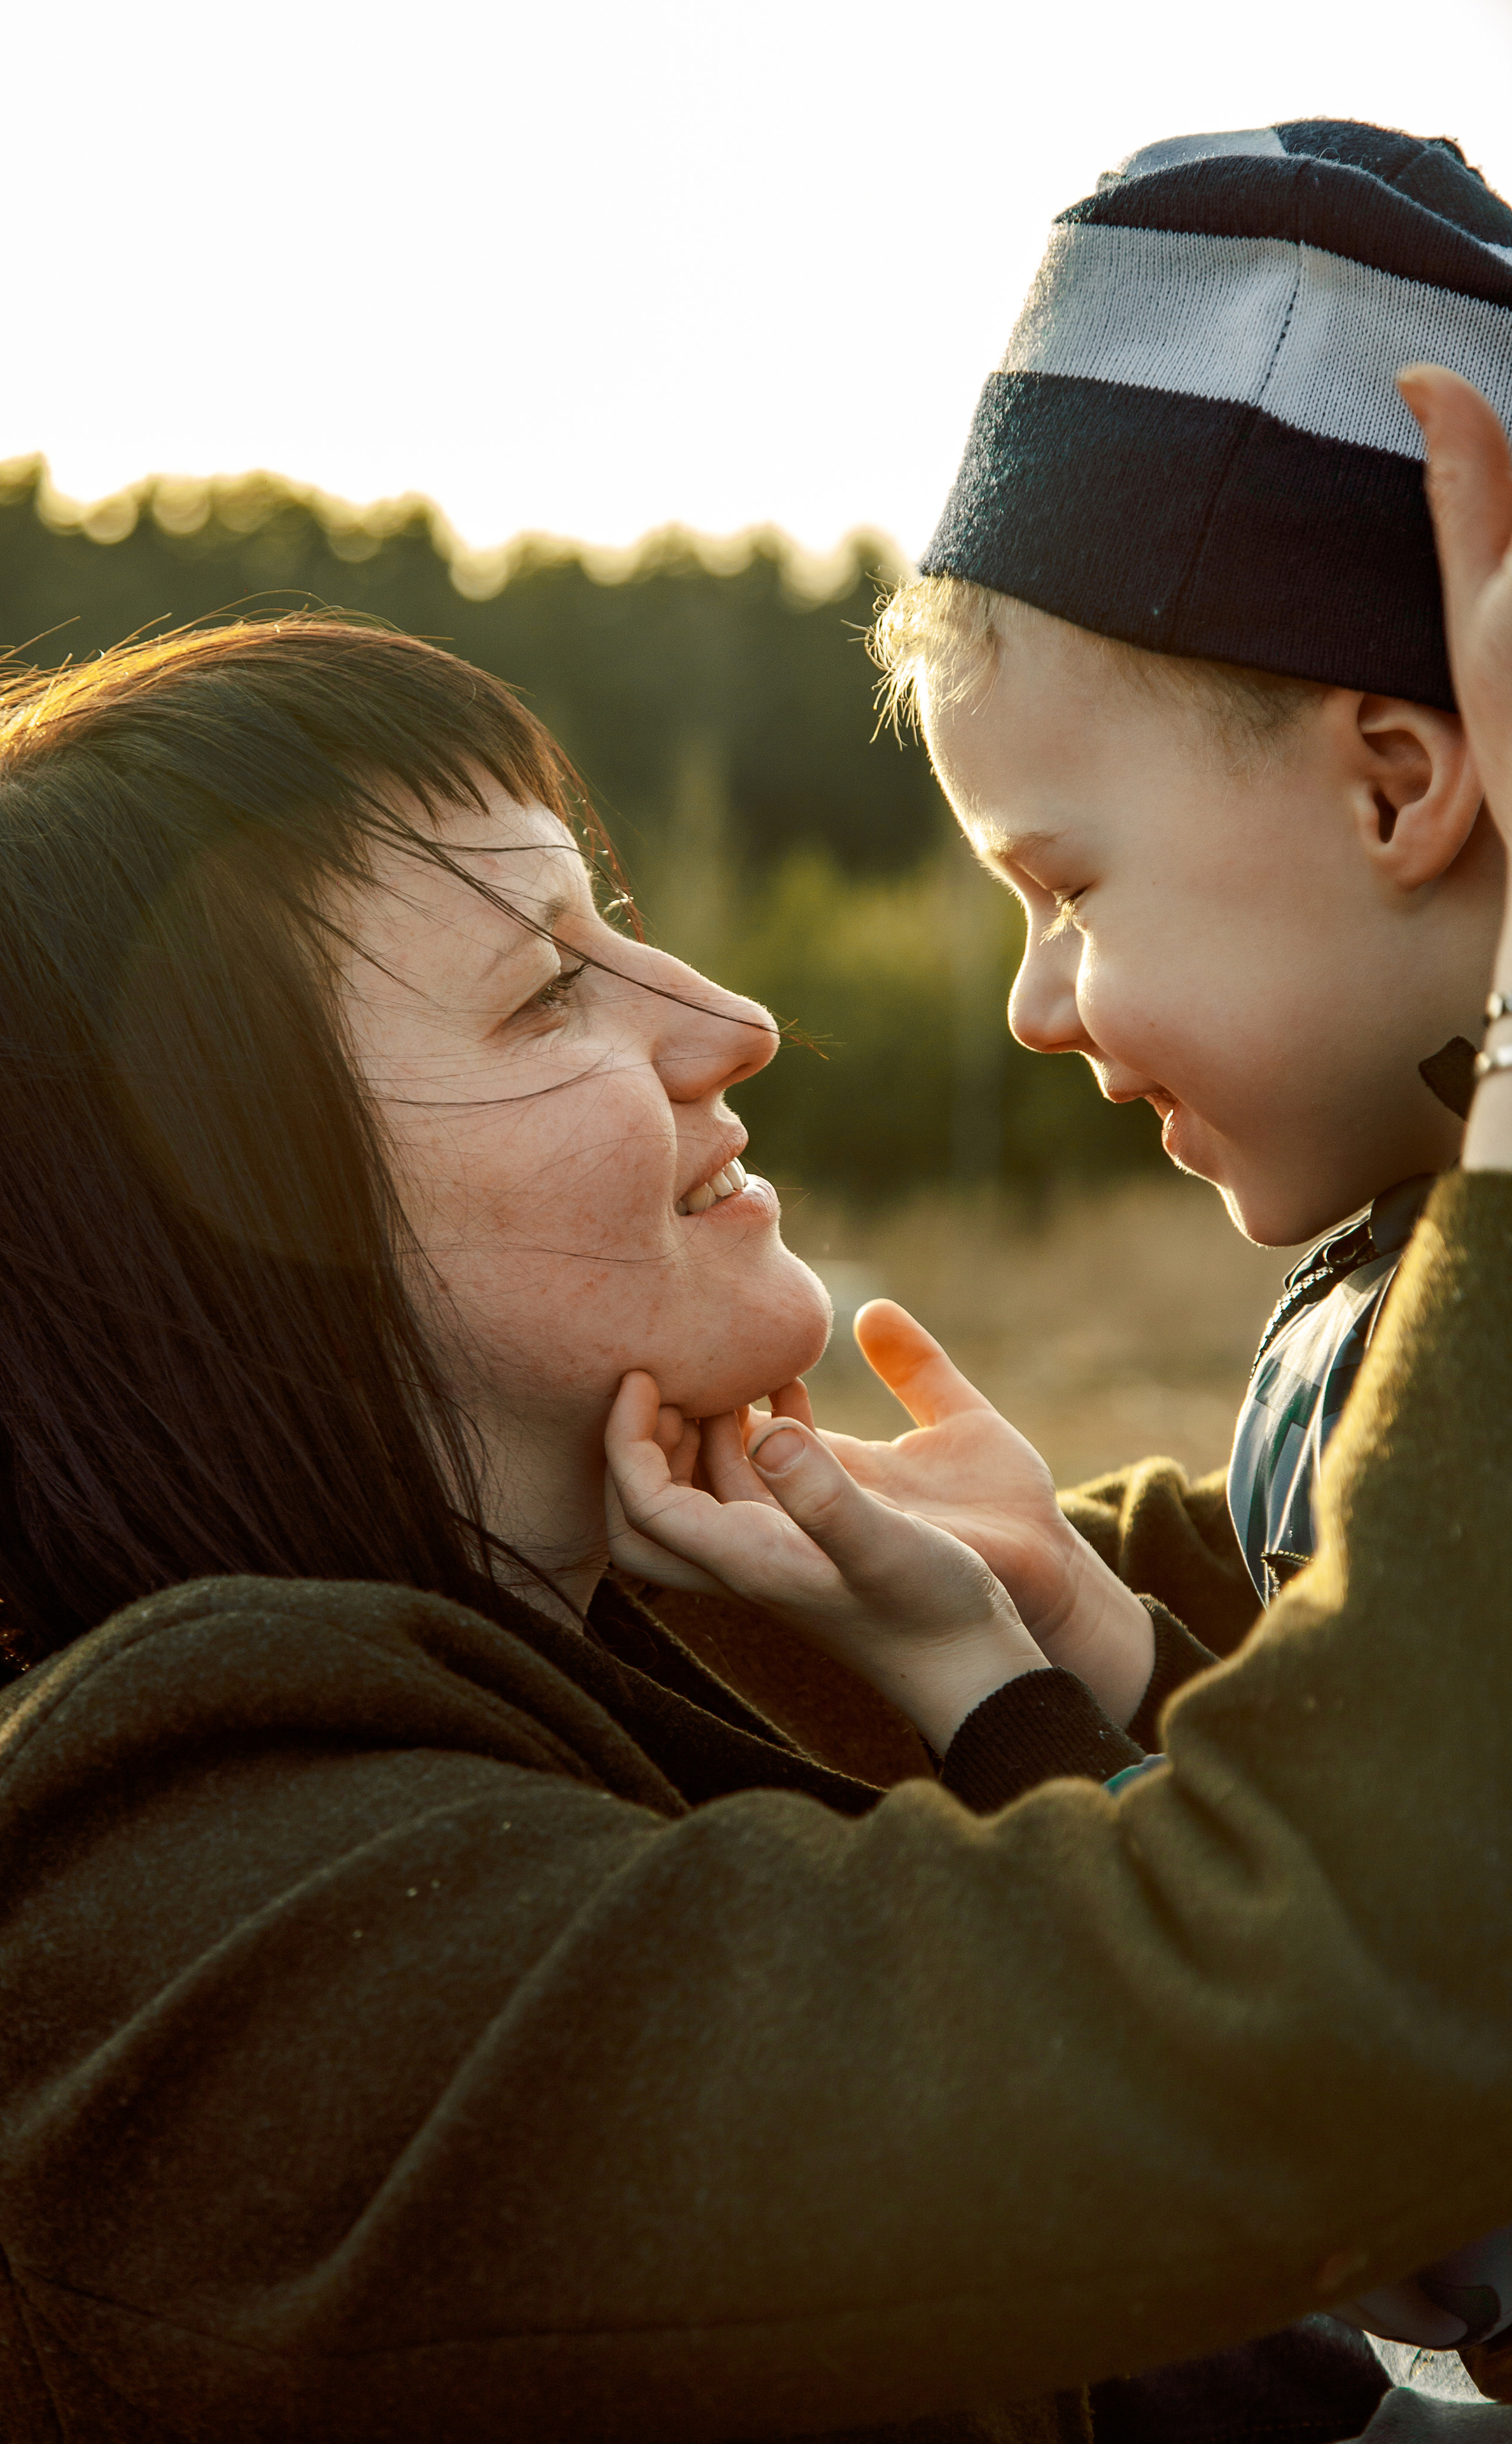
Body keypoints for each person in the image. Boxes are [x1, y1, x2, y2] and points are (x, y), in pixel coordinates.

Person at [0, 390, 1512, 2443]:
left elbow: (1322, 1587)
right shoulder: (148, 1949)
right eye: (547, 991)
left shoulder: (598, 1626)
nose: (728, 1024)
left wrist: (1050, 1611)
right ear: (220, 1228)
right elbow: (1351, 1998)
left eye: (616, 924)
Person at [858, 122, 1512, 2394]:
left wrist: (1035, 1722)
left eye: (1070, 887)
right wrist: (1124, 1657)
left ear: (1398, 782)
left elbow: (1392, 2079)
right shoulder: (1390, 1286)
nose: (1038, 1006)